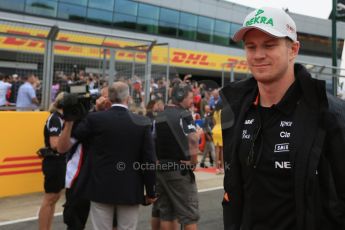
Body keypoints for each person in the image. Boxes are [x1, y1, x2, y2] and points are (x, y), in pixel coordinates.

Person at [221, 7, 345, 230]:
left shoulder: (331, 114)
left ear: (293, 49)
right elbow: (234, 189)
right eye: (251, 47)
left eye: (269, 45)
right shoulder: (235, 110)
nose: (258, 55)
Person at [57, 82, 157, 230]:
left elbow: (63, 147)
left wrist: (75, 118)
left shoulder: (94, 119)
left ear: (108, 98)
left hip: (100, 188)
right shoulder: (142, 122)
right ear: (128, 98)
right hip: (129, 189)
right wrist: (151, 191)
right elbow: (148, 160)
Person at [152, 83, 200, 230]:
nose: (193, 101)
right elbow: (193, 139)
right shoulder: (184, 114)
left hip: (161, 170)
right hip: (179, 170)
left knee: (166, 214)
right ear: (180, 98)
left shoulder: (159, 116)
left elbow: (152, 141)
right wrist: (193, 162)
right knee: (189, 216)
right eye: (190, 98)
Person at [38, 92, 66, 230]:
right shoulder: (55, 118)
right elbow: (55, 143)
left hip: (59, 161)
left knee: (54, 198)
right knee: (49, 199)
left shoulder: (61, 118)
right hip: (54, 162)